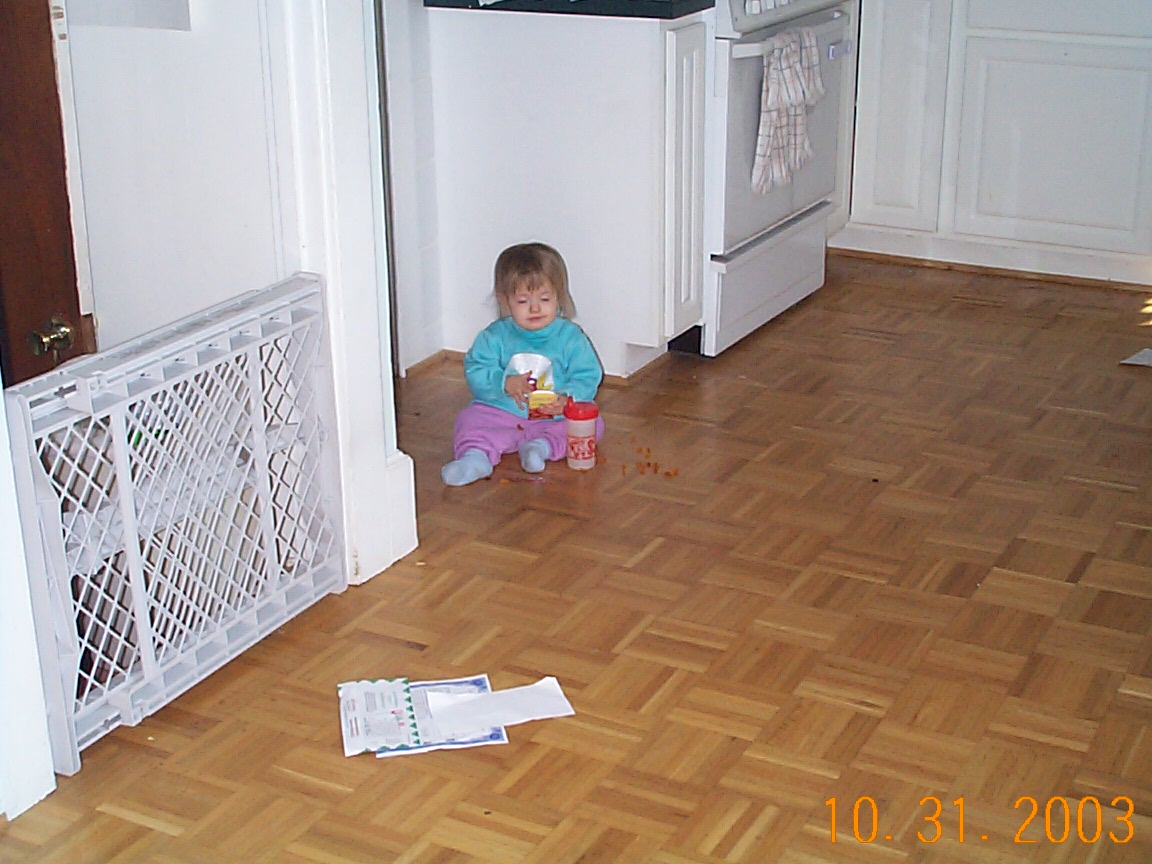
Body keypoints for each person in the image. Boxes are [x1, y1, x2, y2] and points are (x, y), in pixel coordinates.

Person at [442, 242, 605, 486]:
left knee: (594, 424)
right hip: (502, 413)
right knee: (469, 418)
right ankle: (475, 458)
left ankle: (540, 448)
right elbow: (476, 369)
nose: (535, 308)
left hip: (552, 417)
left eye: (544, 298)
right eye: (522, 301)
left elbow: (588, 374)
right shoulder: (494, 336)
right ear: (505, 302)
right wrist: (503, 383)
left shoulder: (570, 336)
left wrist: (567, 399)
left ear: (558, 297)